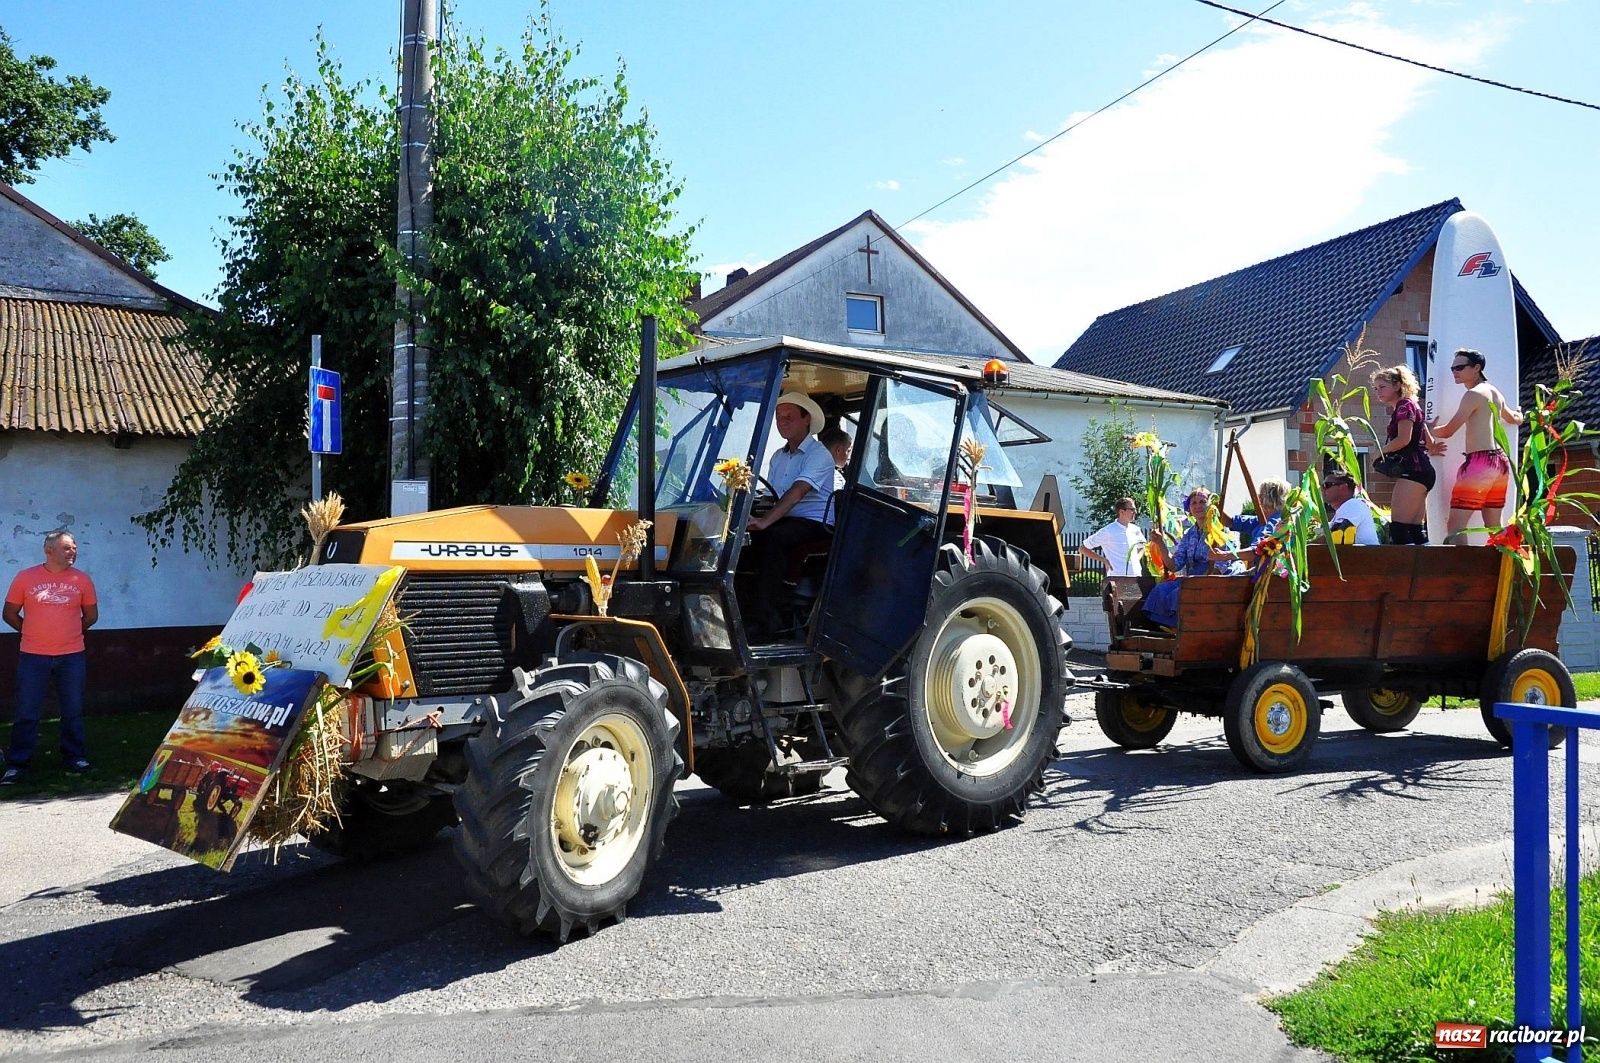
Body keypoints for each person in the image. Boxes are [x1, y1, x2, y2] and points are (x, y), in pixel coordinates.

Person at [3, 531, 99, 784]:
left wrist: (70, 633)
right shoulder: (25, 577)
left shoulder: (82, 579)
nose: (73, 552)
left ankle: (75, 756)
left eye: (74, 547)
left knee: (73, 709)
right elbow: (9, 613)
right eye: (67, 548)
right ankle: (18, 764)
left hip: (72, 655)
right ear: (49, 550)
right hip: (33, 655)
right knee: (27, 711)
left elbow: (91, 616)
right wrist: (31, 632)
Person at [747, 392, 835, 638]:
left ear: (807, 420)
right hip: (787, 519)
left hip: (815, 523)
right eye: (779, 416)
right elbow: (771, 496)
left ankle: (765, 622)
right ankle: (742, 610)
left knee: (776, 537)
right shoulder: (778, 456)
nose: (782, 421)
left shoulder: (819, 455)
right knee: (742, 541)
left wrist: (764, 522)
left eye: (789, 416)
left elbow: (796, 493)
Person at [1428, 348, 1524, 544]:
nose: (1455, 372)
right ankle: (1506, 563)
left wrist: (1427, 428)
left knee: (1456, 526)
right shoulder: (1494, 392)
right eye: (1453, 368)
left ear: (1477, 368)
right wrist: (1521, 415)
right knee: (1495, 526)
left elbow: (1447, 431)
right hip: (1500, 462)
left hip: (1480, 463)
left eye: (1460, 367)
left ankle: (1464, 565)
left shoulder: (1473, 394)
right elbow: (1513, 418)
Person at [1143, 488, 1242, 629]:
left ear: (1210, 506)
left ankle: (1187, 627)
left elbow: (1222, 564)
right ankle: (1173, 628)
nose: (1198, 506)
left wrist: (1202, 581)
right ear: (1189, 508)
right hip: (1194, 577)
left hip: (1217, 577)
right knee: (1161, 590)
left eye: (1202, 502)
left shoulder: (1221, 530)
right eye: (1194, 503)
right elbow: (1175, 565)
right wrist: (1160, 543)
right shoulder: (1190, 533)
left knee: (1183, 592)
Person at [1371, 365, 1435, 544]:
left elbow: (1403, 439)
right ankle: (1429, 561)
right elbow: (1428, 441)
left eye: (1382, 387)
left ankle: (1408, 564)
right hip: (1422, 470)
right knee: (1416, 530)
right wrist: (1433, 447)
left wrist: (1379, 453)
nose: (1378, 392)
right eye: (1375, 388)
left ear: (1397, 386)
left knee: (1399, 530)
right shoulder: (1412, 405)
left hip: (1413, 471)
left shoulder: (1404, 406)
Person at [1212, 479, 1291, 563]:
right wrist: (1213, 504)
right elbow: (1230, 522)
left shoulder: (1274, 523)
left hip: (1272, 570)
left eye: (1259, 495)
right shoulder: (1261, 520)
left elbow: (1256, 552)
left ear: (1262, 499)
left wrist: (1224, 555)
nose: (1257, 498)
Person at [1079, 498, 1146, 577]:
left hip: (1137, 576)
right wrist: (1104, 560)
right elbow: (1082, 548)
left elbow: (1142, 546)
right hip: (1117, 577)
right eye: (1132, 509)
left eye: (1135, 509)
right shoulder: (1108, 531)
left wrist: (1136, 559)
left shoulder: (1136, 529)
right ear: (1121, 512)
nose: (1135, 512)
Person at [1320, 470, 1379, 546]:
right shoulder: (1345, 508)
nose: (1323, 489)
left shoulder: (1353, 505)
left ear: (1343, 487)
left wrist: (1305, 548)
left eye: (1327, 485)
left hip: (1366, 553)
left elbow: (1337, 535)